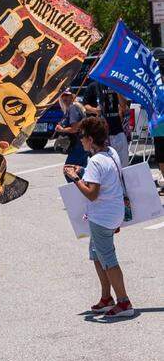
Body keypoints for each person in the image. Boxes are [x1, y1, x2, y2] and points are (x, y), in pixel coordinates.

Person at [64, 117, 136, 318]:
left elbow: (92, 194)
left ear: (89, 138)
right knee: (97, 254)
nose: (81, 141)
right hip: (114, 212)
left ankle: (124, 302)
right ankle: (107, 298)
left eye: (82, 137)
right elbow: (105, 177)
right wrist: (83, 170)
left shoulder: (95, 161)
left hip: (102, 217)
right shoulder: (110, 152)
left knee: (109, 259)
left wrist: (76, 178)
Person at [83, 80, 129, 167]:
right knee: (104, 164)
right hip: (101, 134)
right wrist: (95, 110)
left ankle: (123, 180)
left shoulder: (116, 84)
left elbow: (124, 106)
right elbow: (85, 105)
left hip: (117, 130)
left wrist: (117, 90)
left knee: (123, 164)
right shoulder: (93, 86)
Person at [54, 88, 87, 179]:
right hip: (82, 144)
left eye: (67, 95)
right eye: (63, 95)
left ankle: (81, 190)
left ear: (72, 96)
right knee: (80, 171)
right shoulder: (74, 107)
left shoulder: (73, 108)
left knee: (69, 171)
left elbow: (75, 128)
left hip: (78, 145)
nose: (65, 98)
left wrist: (61, 129)